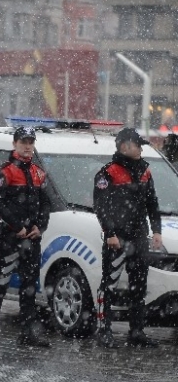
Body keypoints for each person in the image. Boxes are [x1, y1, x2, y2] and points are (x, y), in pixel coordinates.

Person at [93, 127, 162, 349]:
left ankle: (136, 331)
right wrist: (111, 233)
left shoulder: (145, 171)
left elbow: (152, 203)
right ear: (125, 146)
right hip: (118, 239)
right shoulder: (108, 173)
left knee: (139, 286)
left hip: (139, 237)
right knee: (109, 284)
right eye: (138, 144)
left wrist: (157, 230)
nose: (141, 148)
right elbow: (101, 207)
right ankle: (104, 330)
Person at [0, 126, 51, 348]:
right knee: (0, 283)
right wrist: (17, 225)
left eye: (31, 142)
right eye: (23, 142)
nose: (28, 146)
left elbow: (46, 204)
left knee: (29, 286)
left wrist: (40, 226)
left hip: (32, 238)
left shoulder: (39, 173)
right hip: (9, 238)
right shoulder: (4, 171)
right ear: (14, 144)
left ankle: (28, 332)